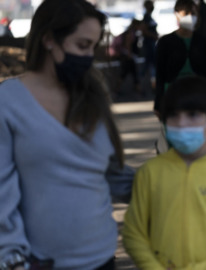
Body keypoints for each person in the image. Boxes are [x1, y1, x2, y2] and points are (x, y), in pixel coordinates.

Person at [0, 0, 134, 269]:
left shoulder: (94, 97)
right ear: (49, 40)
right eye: (82, 45)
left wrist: (174, 177)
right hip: (37, 263)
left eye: (93, 47)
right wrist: (12, 258)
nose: (88, 57)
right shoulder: (8, 102)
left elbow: (114, 176)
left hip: (102, 258)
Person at [122, 76, 206, 270]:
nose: (181, 123)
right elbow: (133, 233)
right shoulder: (149, 173)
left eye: (193, 114)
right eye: (173, 115)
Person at [154, 0, 206, 149]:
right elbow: (160, 74)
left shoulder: (202, 41)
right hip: (174, 94)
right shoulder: (165, 42)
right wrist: (158, 103)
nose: (190, 17)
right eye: (186, 14)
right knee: (176, 131)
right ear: (177, 15)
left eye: (193, 14)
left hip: (200, 93)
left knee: (201, 131)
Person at [110, 19, 143, 95]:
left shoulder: (132, 32)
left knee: (131, 74)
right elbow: (128, 45)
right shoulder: (131, 33)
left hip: (127, 56)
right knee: (125, 74)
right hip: (127, 57)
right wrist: (129, 55)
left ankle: (137, 89)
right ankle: (116, 90)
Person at [140, 0, 158, 87]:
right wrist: (154, 36)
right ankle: (142, 83)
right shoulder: (146, 17)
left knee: (149, 64)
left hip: (151, 43)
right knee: (149, 63)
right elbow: (144, 31)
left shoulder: (149, 16)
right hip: (149, 43)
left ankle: (145, 83)